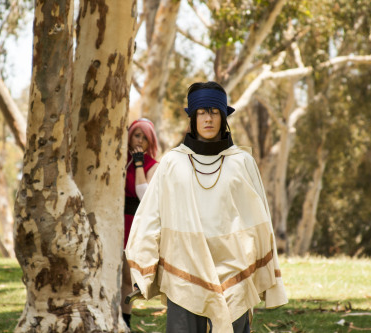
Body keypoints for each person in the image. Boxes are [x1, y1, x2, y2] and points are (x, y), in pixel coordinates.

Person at [125, 82, 288, 333]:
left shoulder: (242, 162)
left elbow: (260, 220)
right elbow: (151, 216)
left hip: (235, 268)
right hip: (185, 266)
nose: (208, 118)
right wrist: (145, 265)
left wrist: (264, 271)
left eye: (214, 112)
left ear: (223, 117)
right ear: (192, 117)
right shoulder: (172, 162)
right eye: (201, 112)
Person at [122, 118, 159, 329]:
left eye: (145, 137)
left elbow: (143, 194)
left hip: (134, 224)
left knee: (127, 279)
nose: (140, 140)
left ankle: (125, 323)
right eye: (137, 135)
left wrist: (138, 164)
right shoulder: (118, 158)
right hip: (114, 222)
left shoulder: (153, 166)